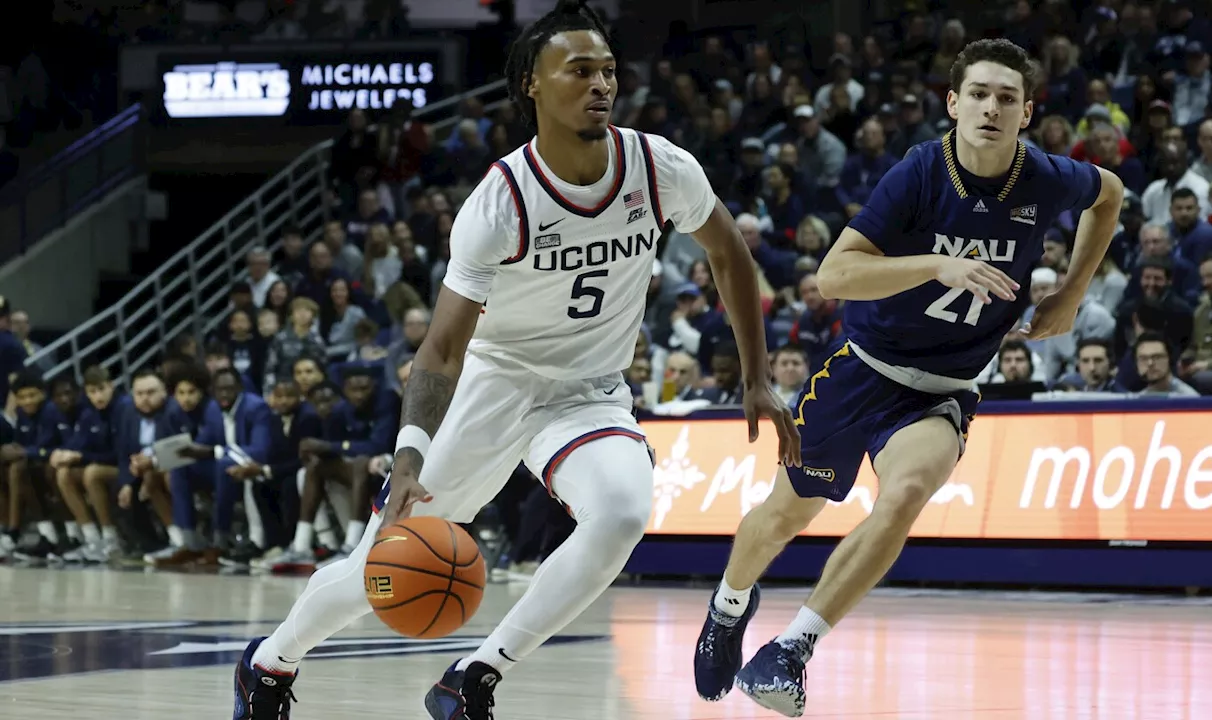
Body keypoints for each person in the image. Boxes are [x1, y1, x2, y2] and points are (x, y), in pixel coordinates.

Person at [230, 2, 800, 718]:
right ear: (532, 83)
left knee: (622, 512)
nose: (601, 85)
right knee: (381, 565)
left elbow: (730, 255)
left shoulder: (658, 167)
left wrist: (755, 377)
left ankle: (473, 675)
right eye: (580, 70)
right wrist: (409, 454)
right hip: (495, 383)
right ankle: (270, 662)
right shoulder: (501, 201)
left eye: (609, 71)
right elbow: (442, 345)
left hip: (589, 392)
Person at [693, 38, 1125, 717]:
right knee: (783, 516)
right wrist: (934, 264)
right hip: (863, 369)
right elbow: (834, 275)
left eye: (1006, 98)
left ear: (1027, 113)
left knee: (906, 496)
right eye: (978, 93)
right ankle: (728, 605)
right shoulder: (919, 173)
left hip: (943, 388)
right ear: (953, 103)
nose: (991, 106)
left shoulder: (1044, 176)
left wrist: (1071, 292)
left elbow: (1112, 195)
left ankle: (791, 650)